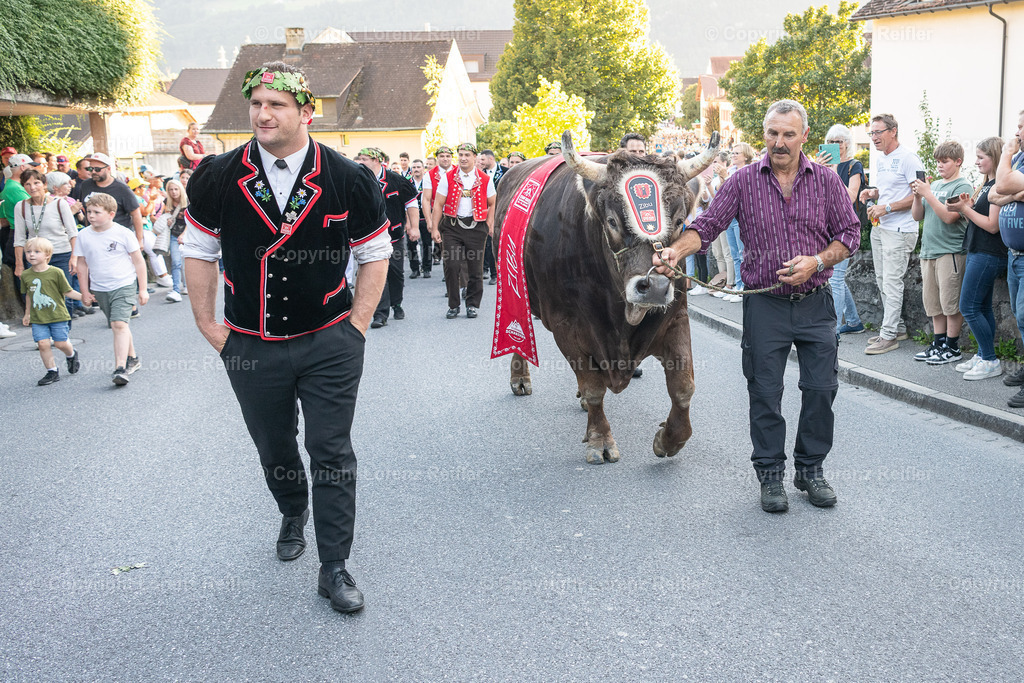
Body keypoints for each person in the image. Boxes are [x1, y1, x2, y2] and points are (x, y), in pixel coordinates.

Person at [181, 61, 390, 614]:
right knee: (274, 446)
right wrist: (209, 326)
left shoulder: (347, 175)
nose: (263, 114)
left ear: (306, 112)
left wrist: (359, 325)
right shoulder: (217, 174)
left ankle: (335, 567)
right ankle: (292, 508)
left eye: (276, 104)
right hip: (250, 343)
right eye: (256, 104)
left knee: (332, 451)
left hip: (329, 339)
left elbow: (375, 255)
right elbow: (198, 252)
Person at [653, 99, 861, 513]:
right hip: (764, 305)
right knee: (765, 393)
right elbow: (707, 226)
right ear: (763, 135)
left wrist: (817, 261)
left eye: (788, 134)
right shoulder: (743, 181)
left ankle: (810, 470)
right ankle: (770, 477)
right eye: (772, 133)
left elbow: (850, 234)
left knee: (822, 389)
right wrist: (676, 251)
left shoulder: (826, 181)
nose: (779, 142)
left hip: (816, 303)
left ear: (804, 136)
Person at [859, 114, 925, 354]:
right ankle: (897, 328)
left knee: (892, 283)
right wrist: (873, 194)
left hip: (900, 230)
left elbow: (918, 194)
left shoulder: (909, 158)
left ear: (893, 131)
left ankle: (888, 337)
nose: (874, 138)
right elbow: (890, 190)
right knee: (882, 281)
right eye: (871, 133)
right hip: (881, 228)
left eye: (878, 132)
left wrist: (886, 207)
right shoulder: (881, 159)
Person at [946, 137, 1006, 380]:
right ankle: (984, 355)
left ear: (995, 157)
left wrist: (965, 209)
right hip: (978, 250)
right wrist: (968, 206)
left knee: (968, 306)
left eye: (982, 157)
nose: (977, 161)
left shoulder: (998, 185)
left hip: (988, 253)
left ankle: (990, 359)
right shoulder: (988, 183)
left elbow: (992, 226)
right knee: (981, 306)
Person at [909, 141, 974, 365]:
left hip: (951, 252)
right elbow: (917, 217)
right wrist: (918, 196)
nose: (939, 166)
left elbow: (949, 217)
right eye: (937, 161)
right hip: (929, 252)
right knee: (933, 303)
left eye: (944, 161)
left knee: (950, 303)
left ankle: (953, 346)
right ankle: (938, 343)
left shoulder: (962, 186)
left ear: (958, 162)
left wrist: (928, 194)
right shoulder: (934, 184)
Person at [74, 192, 148, 385]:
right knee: (119, 325)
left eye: (96, 212)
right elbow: (82, 264)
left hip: (124, 284)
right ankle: (133, 358)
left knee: (119, 325)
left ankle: (120, 368)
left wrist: (143, 289)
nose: (90, 216)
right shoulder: (83, 235)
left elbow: (139, 262)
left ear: (111, 214)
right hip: (100, 287)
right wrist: (84, 291)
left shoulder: (123, 233)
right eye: (88, 211)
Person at [354, 147, 418, 328]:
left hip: (394, 235)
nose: (361, 162)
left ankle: (396, 303)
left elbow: (411, 203)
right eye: (360, 158)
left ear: (377, 160)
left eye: (365, 158)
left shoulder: (396, 180)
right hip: (370, 237)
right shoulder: (358, 179)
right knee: (375, 274)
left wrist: (414, 227)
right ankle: (380, 314)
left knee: (395, 272)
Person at [430, 142, 496, 319]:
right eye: (461, 155)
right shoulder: (448, 177)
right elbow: (438, 204)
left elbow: (492, 203)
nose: (463, 158)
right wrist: (435, 228)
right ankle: (454, 304)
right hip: (452, 226)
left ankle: (472, 304)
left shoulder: (485, 179)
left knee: (475, 268)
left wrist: (489, 224)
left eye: (467, 155)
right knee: (451, 265)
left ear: (474, 157)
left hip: (476, 227)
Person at [12, 168, 80, 324]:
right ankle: (43, 333)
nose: (32, 187)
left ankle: (63, 334)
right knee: (38, 294)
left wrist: (74, 257)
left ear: (44, 184)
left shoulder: (59, 204)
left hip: (61, 254)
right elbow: (20, 238)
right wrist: (19, 264)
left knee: (63, 294)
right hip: (35, 256)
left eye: (36, 183)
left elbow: (72, 233)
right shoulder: (21, 206)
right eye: (27, 184)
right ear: (23, 186)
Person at [817, 124, 866, 335]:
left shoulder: (854, 166)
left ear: (847, 144)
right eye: (830, 142)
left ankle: (833, 329)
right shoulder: (822, 167)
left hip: (846, 228)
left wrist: (834, 172)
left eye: (839, 142)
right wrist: (817, 170)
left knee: (835, 278)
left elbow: (851, 197)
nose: (835, 146)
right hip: (826, 227)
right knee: (835, 277)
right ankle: (854, 322)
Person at [20, 237, 82, 385]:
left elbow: (68, 291)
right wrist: (27, 313)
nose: (31, 255)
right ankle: (52, 371)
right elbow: (29, 295)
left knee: (61, 344)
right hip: (38, 317)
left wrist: (85, 297)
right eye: (28, 252)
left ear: (47, 255)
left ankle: (71, 355)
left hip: (58, 315)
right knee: (43, 344)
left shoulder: (56, 272)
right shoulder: (26, 275)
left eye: (36, 251)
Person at [994, 109, 1024, 407]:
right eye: (1017, 127)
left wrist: (1005, 153)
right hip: (1014, 255)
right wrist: (1017, 194)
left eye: (1022, 127)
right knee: (1020, 316)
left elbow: (1001, 184)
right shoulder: (1019, 162)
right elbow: (993, 195)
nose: (1017, 134)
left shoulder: (1012, 157)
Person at [76, 153, 143, 243]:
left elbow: (136, 214)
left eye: (97, 169)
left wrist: (139, 240)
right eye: (90, 169)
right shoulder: (86, 185)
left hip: (117, 238)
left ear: (108, 169)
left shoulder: (122, 188)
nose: (93, 172)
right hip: (93, 237)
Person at [721, 143, 755, 303]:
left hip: (742, 218)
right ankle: (737, 286)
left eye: (737, 153)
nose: (733, 155)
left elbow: (742, 192)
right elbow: (722, 194)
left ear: (746, 155)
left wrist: (725, 178)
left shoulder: (750, 172)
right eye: (732, 152)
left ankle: (744, 288)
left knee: (742, 255)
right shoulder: (730, 171)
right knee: (734, 254)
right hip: (730, 217)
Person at [156, 179, 189, 302]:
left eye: (176, 189)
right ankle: (176, 290)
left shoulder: (188, 201)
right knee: (176, 262)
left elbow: (191, 221)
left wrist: (184, 234)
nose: (174, 192)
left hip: (188, 235)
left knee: (186, 262)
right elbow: (166, 217)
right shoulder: (167, 202)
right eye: (171, 189)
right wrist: (168, 221)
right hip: (174, 234)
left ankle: (187, 285)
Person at [707, 151, 733, 297]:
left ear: (724, 162)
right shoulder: (715, 178)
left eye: (716, 161)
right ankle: (721, 283)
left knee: (728, 253)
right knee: (718, 254)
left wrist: (723, 177)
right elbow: (714, 198)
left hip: (726, 220)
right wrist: (709, 185)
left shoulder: (729, 175)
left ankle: (730, 283)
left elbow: (725, 196)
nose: (714, 164)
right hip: (715, 219)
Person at [408, 158, 433, 279]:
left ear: (423, 169)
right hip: (412, 218)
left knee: (427, 243)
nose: (416, 170)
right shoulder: (407, 182)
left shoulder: (428, 181)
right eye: (414, 167)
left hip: (425, 217)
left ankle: (427, 268)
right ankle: (415, 269)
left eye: (418, 167)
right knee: (411, 244)